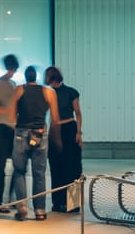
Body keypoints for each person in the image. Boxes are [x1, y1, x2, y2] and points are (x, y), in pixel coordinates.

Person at [7, 65, 61, 220]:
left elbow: (12, 117)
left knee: (19, 171)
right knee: (39, 174)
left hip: (21, 133)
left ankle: (22, 207)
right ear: (36, 76)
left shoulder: (18, 90)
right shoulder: (49, 92)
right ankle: (40, 211)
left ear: (25, 77)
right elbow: (55, 119)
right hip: (40, 134)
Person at [45, 66, 83, 213]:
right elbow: (78, 114)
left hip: (63, 129)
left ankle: (65, 203)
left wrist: (78, 132)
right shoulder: (67, 92)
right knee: (62, 167)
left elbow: (78, 114)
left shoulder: (68, 92)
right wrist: (78, 133)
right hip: (64, 129)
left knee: (66, 168)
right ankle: (63, 203)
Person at [0, 54, 19, 213]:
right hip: (1, 127)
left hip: (13, 128)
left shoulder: (13, 84)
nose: (12, 71)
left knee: (17, 165)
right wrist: (9, 111)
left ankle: (12, 199)